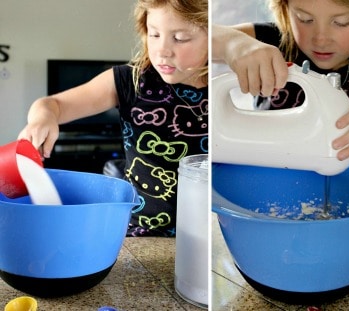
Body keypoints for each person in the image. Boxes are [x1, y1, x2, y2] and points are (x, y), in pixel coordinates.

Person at [18, 0, 208, 237]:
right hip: (140, 235)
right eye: (154, 34)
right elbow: (52, 104)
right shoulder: (129, 80)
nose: (162, 50)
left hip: (208, 235)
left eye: (179, 38)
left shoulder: (226, 87)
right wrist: (43, 117)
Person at [213, 0, 349, 162]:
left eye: (341, 22)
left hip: (339, 195)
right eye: (304, 19)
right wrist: (234, 44)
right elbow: (198, 39)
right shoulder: (271, 40)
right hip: (259, 184)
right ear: (285, 6)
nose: (321, 39)